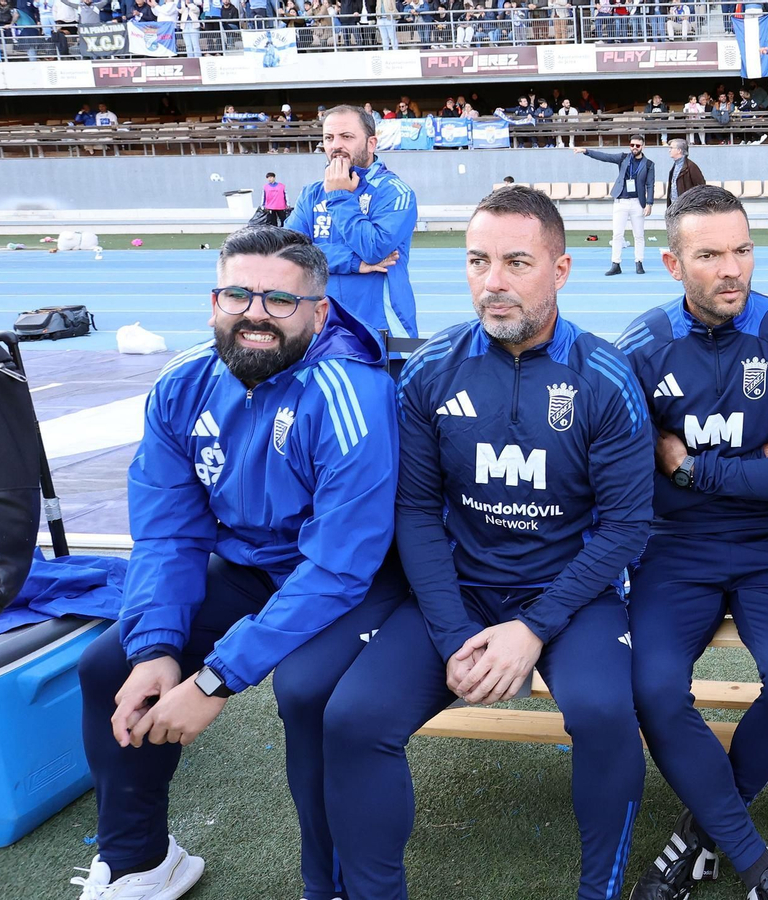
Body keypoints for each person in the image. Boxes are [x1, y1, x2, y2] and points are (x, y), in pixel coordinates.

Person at [321, 186, 654, 900]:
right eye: (478, 261)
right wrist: (451, 636)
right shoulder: (431, 369)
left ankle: (599, 891)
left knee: (603, 714)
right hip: (462, 593)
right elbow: (415, 510)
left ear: (560, 270)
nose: (493, 281)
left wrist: (533, 629)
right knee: (352, 720)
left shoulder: (604, 377)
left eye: (515, 262)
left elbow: (627, 527)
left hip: (571, 598)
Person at [70, 226, 403, 900]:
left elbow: (340, 565)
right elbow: (168, 532)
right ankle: (140, 860)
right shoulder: (182, 383)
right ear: (213, 302)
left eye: (280, 300)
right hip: (254, 567)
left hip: (358, 578)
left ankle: (331, 886)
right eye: (238, 295)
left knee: (309, 695)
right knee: (111, 664)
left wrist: (215, 678)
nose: (255, 314)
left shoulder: (350, 393)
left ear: (320, 313)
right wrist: (158, 647)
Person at [618, 186, 768, 900]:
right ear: (673, 264)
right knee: (653, 688)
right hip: (674, 545)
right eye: (709, 255)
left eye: (742, 250)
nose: (732, 269)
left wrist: (689, 467)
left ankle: (693, 840)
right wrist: (751, 468)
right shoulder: (641, 348)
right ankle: (755, 863)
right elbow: (634, 484)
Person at [284, 105, 419, 337]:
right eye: (329, 138)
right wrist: (353, 262)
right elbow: (288, 254)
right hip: (321, 329)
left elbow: (373, 250)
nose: (335, 145)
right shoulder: (311, 194)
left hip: (380, 331)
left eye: (346, 136)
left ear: (371, 143)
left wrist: (338, 196)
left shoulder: (395, 193)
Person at [576, 136, 655, 276]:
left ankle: (639, 262)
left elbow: (650, 184)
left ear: (643, 146)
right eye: (632, 145)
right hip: (620, 201)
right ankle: (616, 264)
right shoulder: (623, 158)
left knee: (639, 235)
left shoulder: (648, 164)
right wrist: (586, 151)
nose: (634, 148)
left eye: (637, 145)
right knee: (617, 234)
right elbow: (605, 157)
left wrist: (649, 203)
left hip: (638, 202)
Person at [665, 138, 705, 207]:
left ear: (679, 150)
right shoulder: (675, 166)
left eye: (671, 148)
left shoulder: (691, 167)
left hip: (686, 208)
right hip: (674, 207)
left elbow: (701, 188)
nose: (669, 150)